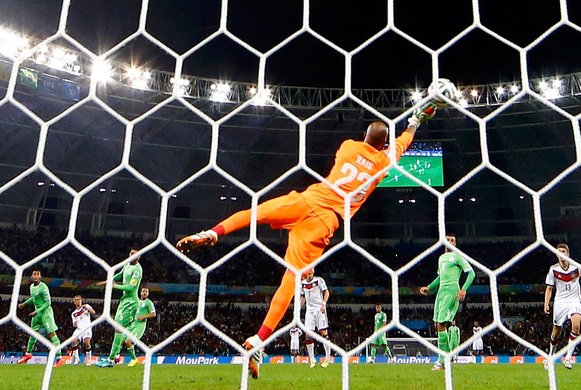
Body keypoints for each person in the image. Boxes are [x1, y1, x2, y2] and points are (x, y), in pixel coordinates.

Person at [176, 102, 438, 379]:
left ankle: (214, 232)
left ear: (364, 137)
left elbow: (378, 143)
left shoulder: (348, 146)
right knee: (291, 279)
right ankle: (258, 340)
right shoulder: (384, 163)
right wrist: (415, 120)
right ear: (383, 144)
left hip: (306, 199)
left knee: (255, 212)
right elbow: (402, 142)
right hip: (324, 222)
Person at [420, 233, 475, 371]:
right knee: (437, 325)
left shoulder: (457, 256)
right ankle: (448, 357)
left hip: (452, 291)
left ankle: (440, 361)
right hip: (441, 292)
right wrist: (429, 287)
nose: (450, 242)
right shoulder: (441, 258)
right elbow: (440, 278)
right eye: (448, 239)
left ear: (455, 244)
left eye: (453, 240)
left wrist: (463, 289)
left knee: (441, 325)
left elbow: (471, 273)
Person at [543, 243, 581, 370]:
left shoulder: (576, 267)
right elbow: (549, 288)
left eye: (563, 251)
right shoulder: (553, 269)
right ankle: (550, 356)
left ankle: (568, 357)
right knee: (556, 331)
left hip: (574, 301)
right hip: (560, 302)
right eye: (559, 251)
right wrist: (546, 303)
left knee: (576, 325)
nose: (561, 253)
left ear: (568, 254)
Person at [96, 249, 143, 368]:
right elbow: (120, 275)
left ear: (139, 257)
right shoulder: (127, 265)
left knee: (118, 328)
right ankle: (115, 356)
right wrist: (108, 280)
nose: (132, 256)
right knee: (119, 329)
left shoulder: (137, 270)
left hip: (131, 302)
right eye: (131, 253)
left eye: (135, 254)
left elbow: (131, 288)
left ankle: (111, 359)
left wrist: (115, 286)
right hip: (124, 301)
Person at [16, 270, 67, 367]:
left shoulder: (44, 287)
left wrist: (37, 311)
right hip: (37, 313)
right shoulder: (31, 287)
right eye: (34, 274)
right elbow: (34, 298)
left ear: (40, 276)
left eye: (37, 274)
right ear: (31, 276)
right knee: (33, 333)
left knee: (52, 334)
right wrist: (24, 304)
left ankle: (60, 358)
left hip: (45, 313)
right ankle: (28, 354)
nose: (35, 276)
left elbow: (48, 303)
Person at [300, 269, 331, 368]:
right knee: (308, 335)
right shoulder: (302, 283)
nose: (309, 275)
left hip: (319, 309)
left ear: (313, 273)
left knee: (323, 333)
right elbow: (303, 297)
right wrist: (298, 308)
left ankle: (327, 358)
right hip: (309, 311)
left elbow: (326, 293)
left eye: (311, 273)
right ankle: (312, 360)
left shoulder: (319, 280)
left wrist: (323, 304)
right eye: (308, 274)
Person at [123, 287, 157, 367]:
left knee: (128, 341)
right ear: (140, 293)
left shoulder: (149, 303)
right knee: (121, 339)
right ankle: (115, 357)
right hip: (133, 323)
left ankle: (134, 359)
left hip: (140, 325)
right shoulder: (137, 301)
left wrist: (143, 317)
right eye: (143, 291)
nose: (145, 292)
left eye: (146, 291)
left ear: (148, 294)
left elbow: (153, 314)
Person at [69, 295, 96, 366]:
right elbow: (74, 323)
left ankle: (89, 360)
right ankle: (77, 359)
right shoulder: (73, 313)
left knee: (86, 343)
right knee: (74, 340)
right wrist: (74, 324)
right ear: (74, 302)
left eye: (79, 299)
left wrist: (88, 308)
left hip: (87, 328)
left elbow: (93, 312)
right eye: (76, 300)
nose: (78, 301)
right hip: (79, 329)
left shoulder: (86, 306)